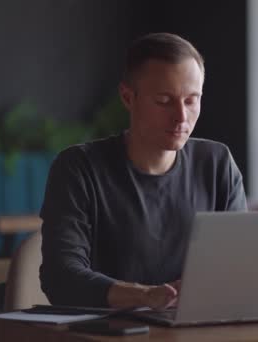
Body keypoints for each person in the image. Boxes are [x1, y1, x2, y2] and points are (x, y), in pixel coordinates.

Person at [39, 32, 247, 310]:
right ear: (128, 97)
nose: (181, 117)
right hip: (109, 330)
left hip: (197, 328)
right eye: (163, 101)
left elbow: (239, 265)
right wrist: (146, 297)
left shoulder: (217, 163)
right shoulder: (79, 168)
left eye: (191, 100)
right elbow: (61, 277)